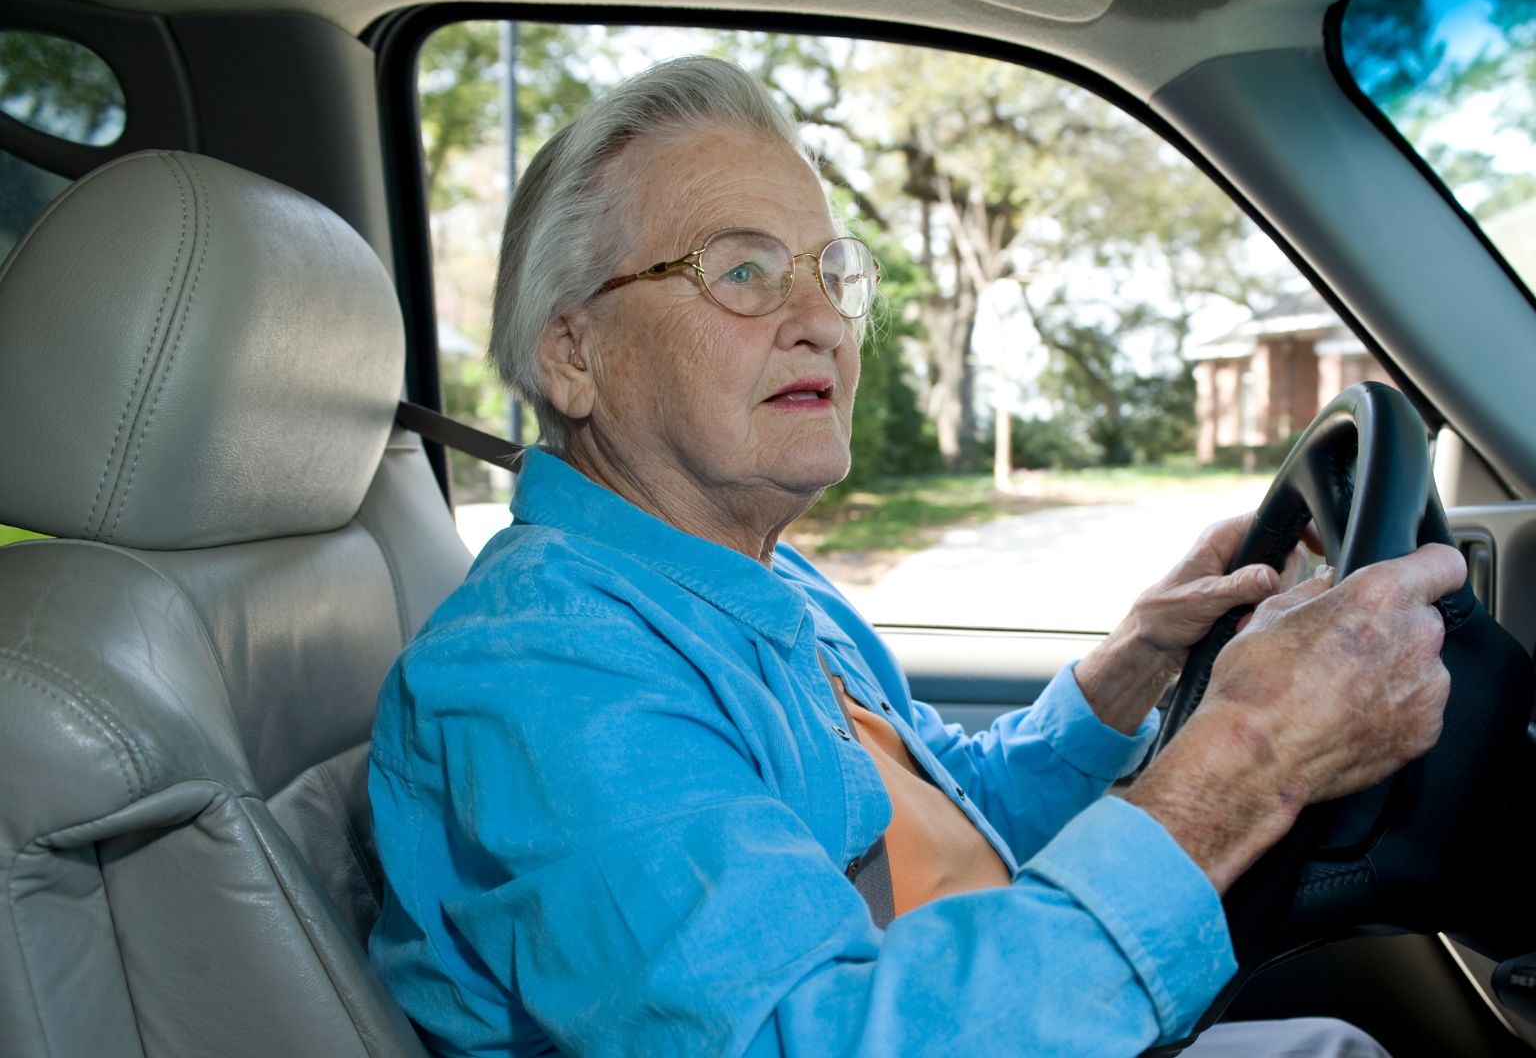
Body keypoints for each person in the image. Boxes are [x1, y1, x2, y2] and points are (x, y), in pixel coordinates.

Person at [366, 55, 1463, 1058]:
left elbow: (933, 826)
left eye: (832, 272)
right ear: (573, 355)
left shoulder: (754, 576)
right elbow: (806, 1040)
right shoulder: (541, 676)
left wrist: (1138, 662)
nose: (823, 322)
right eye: (742, 272)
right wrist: (1249, 754)